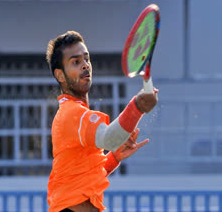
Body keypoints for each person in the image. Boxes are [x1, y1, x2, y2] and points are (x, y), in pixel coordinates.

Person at [46, 30, 158, 212]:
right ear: (60, 75)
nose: (85, 65)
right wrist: (137, 106)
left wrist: (114, 157)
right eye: (75, 62)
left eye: (86, 59)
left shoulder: (74, 113)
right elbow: (110, 139)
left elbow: (85, 176)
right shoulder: (72, 113)